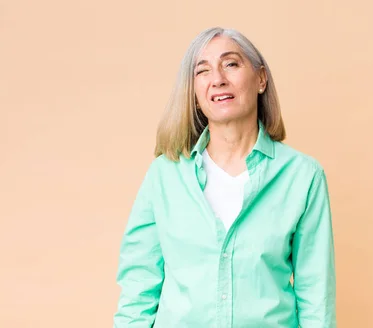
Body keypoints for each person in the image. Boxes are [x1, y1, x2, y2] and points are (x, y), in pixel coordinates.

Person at [112, 27, 336, 328]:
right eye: (202, 71)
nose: (217, 78)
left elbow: (316, 297)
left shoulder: (302, 177)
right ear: (193, 92)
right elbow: (139, 287)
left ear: (260, 79)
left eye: (231, 63)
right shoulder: (164, 175)